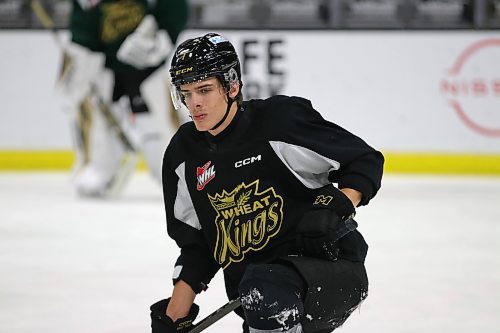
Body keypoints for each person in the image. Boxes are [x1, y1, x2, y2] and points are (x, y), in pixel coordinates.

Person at [151, 33, 384, 333]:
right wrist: (174, 317)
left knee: (263, 289)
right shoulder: (184, 156)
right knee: (259, 292)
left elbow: (364, 160)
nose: (194, 103)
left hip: (331, 268)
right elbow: (199, 247)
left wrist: (333, 207)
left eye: (204, 90)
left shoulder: (278, 122)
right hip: (260, 296)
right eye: (186, 93)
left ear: (231, 85)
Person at [57, 0, 189, 197]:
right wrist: (82, 54)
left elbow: (174, 7)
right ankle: (100, 169)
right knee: (98, 122)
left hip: (149, 68)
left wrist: (163, 33)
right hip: (107, 69)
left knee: (161, 129)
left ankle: (183, 175)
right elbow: (84, 22)